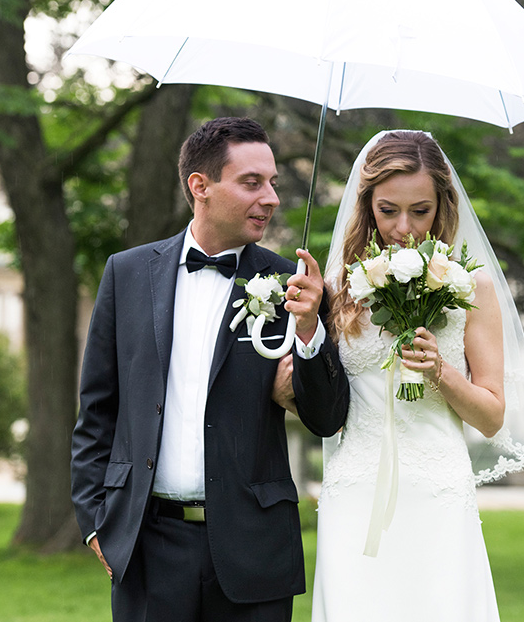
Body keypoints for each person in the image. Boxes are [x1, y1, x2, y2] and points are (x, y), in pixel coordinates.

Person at [70, 117, 349, 622]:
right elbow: (97, 410)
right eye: (251, 183)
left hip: (253, 546)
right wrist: (95, 523)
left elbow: (327, 417)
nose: (271, 198)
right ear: (200, 186)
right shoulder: (127, 274)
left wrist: (310, 331)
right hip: (147, 547)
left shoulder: (294, 283)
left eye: (273, 184)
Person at [312, 130, 524, 621]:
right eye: (389, 210)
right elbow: (317, 397)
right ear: (367, 204)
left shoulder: (470, 286)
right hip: (357, 492)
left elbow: (493, 417)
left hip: (437, 491)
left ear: (443, 206)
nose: (404, 227)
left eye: (421, 210)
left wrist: (442, 372)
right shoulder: (336, 289)